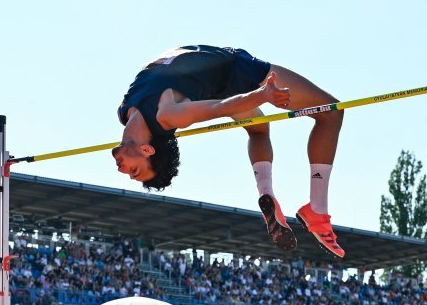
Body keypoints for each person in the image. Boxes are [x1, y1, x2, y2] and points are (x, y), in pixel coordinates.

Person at [113, 45, 345, 257]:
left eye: (133, 171)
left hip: (215, 81)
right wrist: (262, 95)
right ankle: (317, 209)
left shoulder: (125, 111)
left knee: (259, 130)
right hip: (232, 71)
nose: (123, 171)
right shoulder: (167, 114)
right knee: (332, 113)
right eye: (134, 170)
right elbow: (218, 108)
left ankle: (266, 191)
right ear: (146, 150)